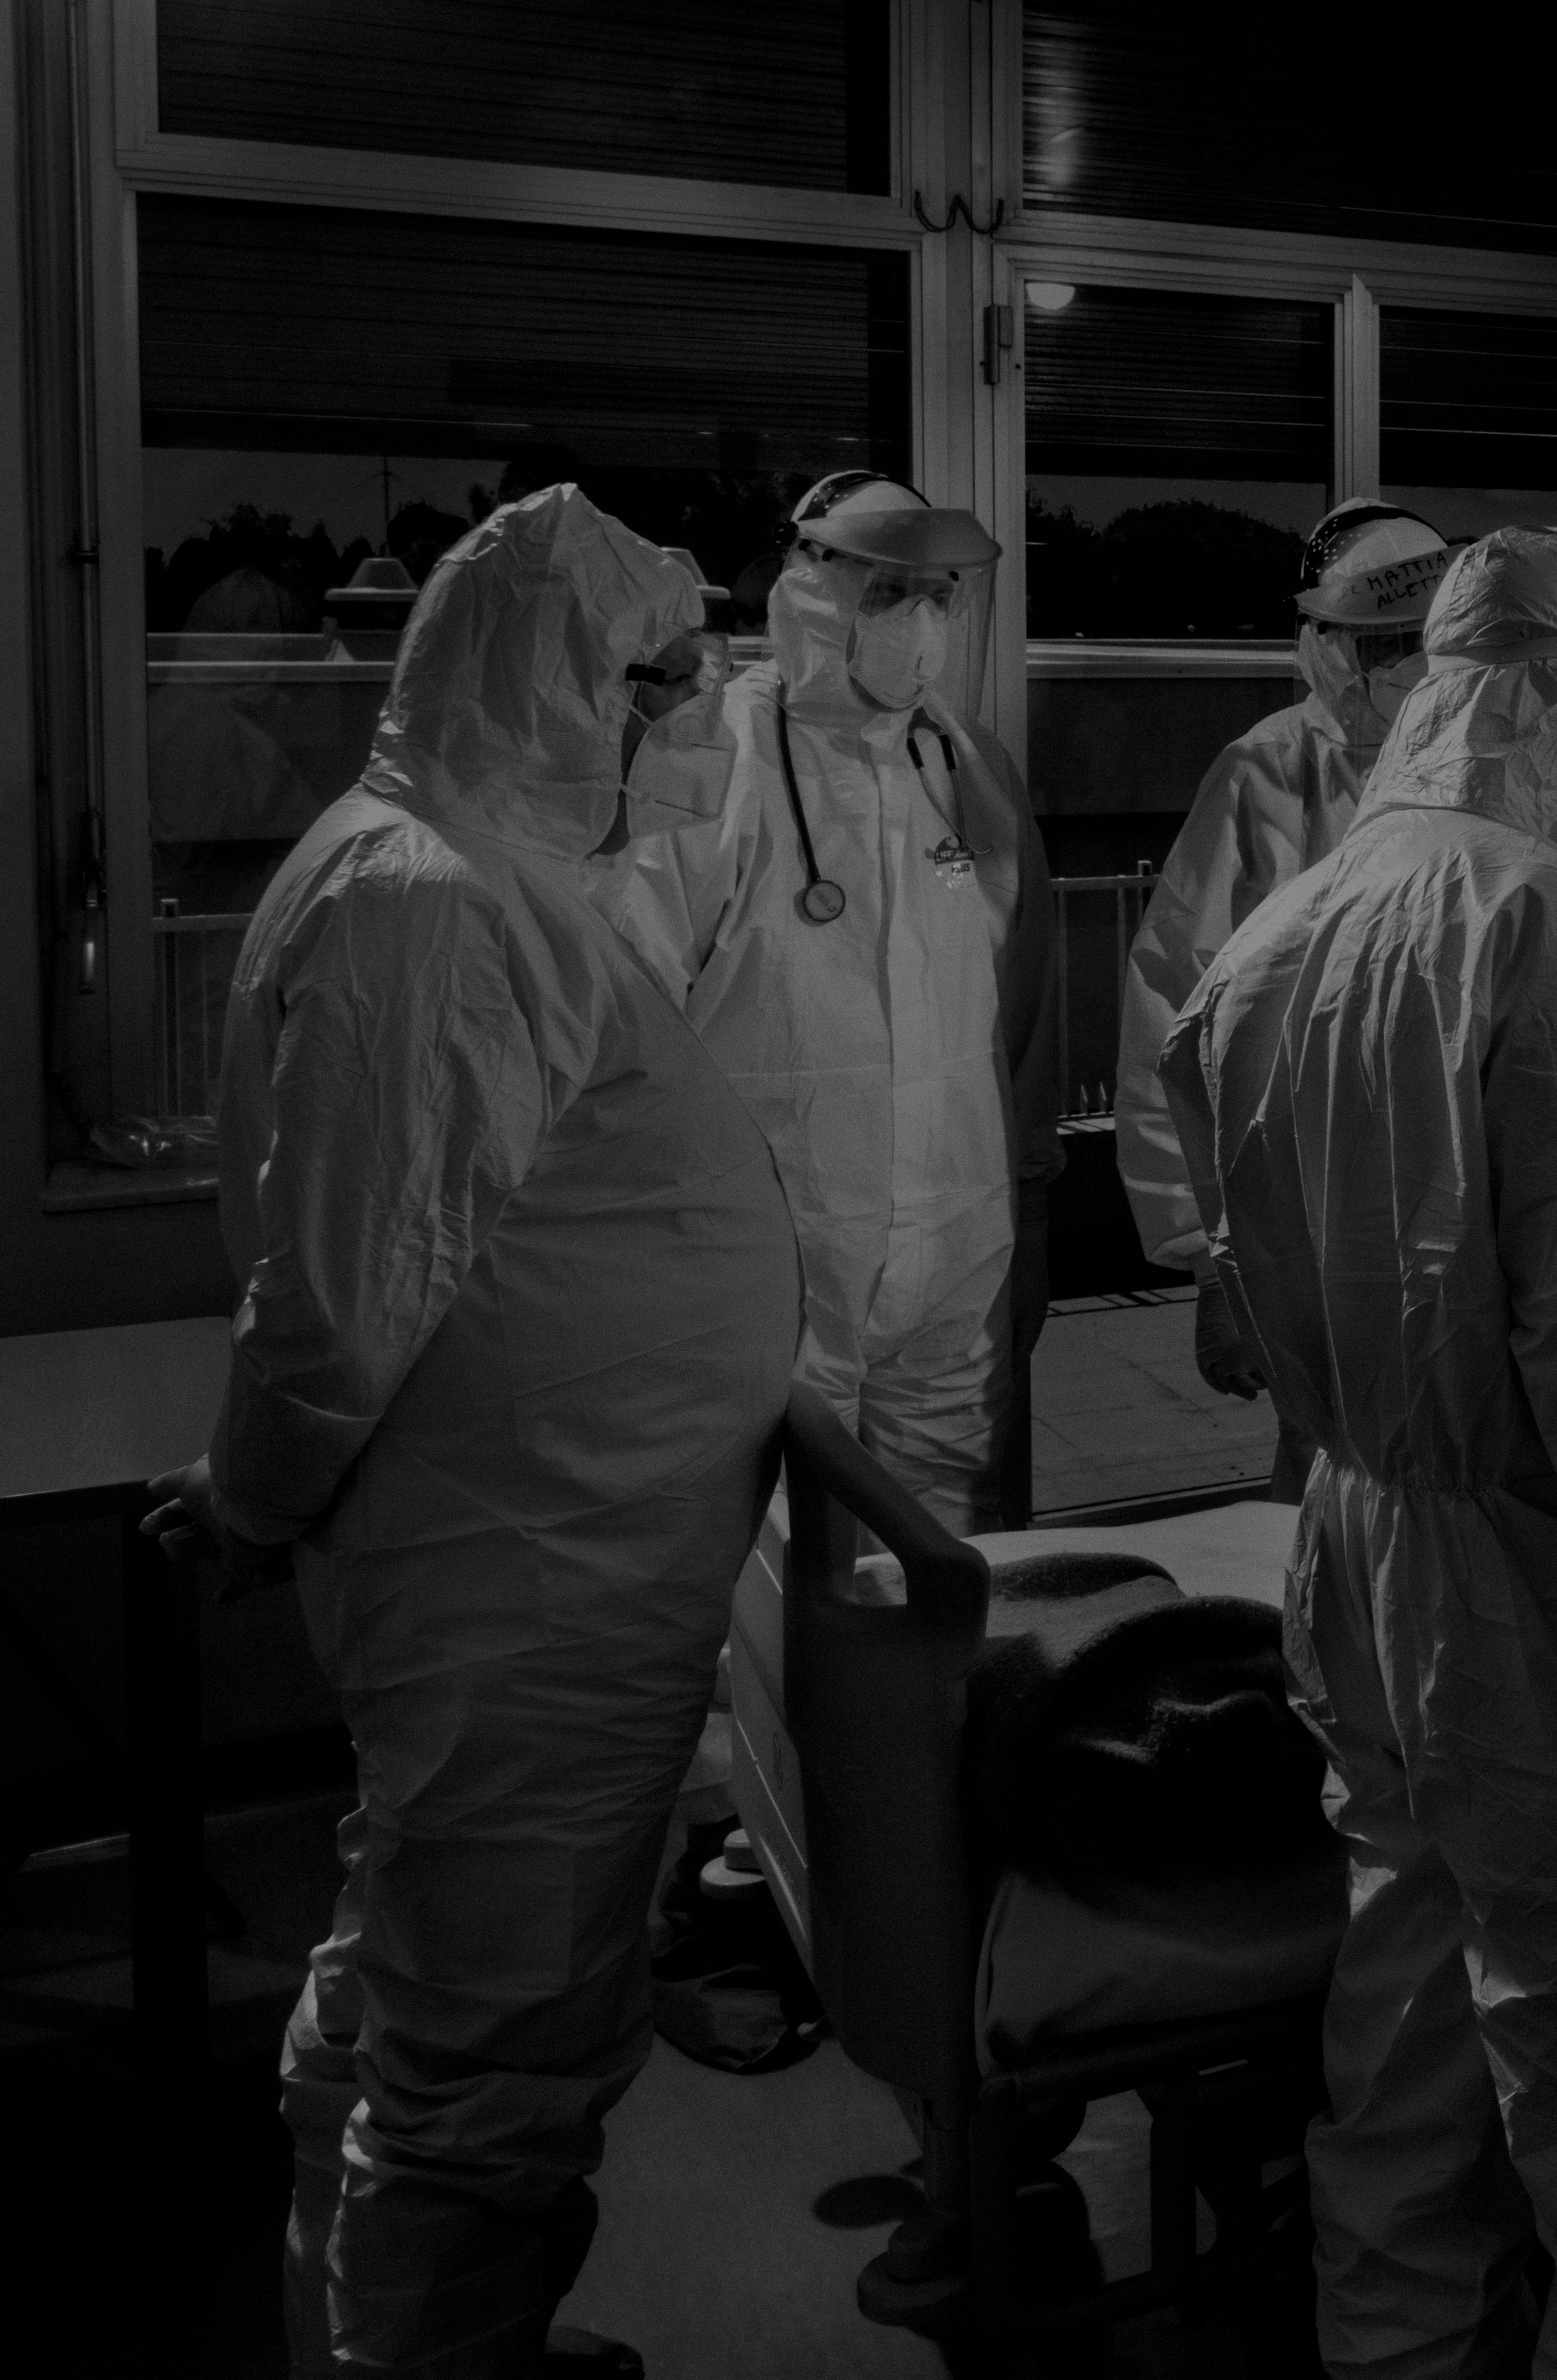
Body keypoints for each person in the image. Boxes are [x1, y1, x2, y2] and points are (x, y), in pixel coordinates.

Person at [142, 484, 804, 2378]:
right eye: (645, 684)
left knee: (410, 1980)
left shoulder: (458, 872)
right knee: (488, 2054)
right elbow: (345, 1295)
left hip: (538, 1552)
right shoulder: (431, 902)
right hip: (532, 1578)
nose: (674, 724)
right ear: (541, 682)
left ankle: (376, 2327)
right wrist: (251, 1489)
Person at [1159, 527, 1557, 2376]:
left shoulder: (1284, 932)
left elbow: (1227, 1322)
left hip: (1358, 1560)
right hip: (1548, 1608)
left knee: (1406, 2094)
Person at [597, 470, 1058, 1533]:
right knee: (771, 1553)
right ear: (810, 591)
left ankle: (924, 1703)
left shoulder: (962, 763)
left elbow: (1014, 1003)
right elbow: (625, 1016)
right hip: (773, 1256)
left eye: (941, 596)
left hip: (954, 1239)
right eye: (891, 593)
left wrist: (1027, 1202)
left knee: (942, 1549)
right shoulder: (709, 757)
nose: (923, 624)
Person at [1116, 499, 1452, 1487]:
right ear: (1320, 645)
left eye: (1413, 641)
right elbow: (1172, 1013)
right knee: (1328, 1496)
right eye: (1373, 644)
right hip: (1314, 1228)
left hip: (1472, 1212)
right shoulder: (1268, 775)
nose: (1396, 669)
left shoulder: (1500, 762)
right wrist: (1207, 1253)